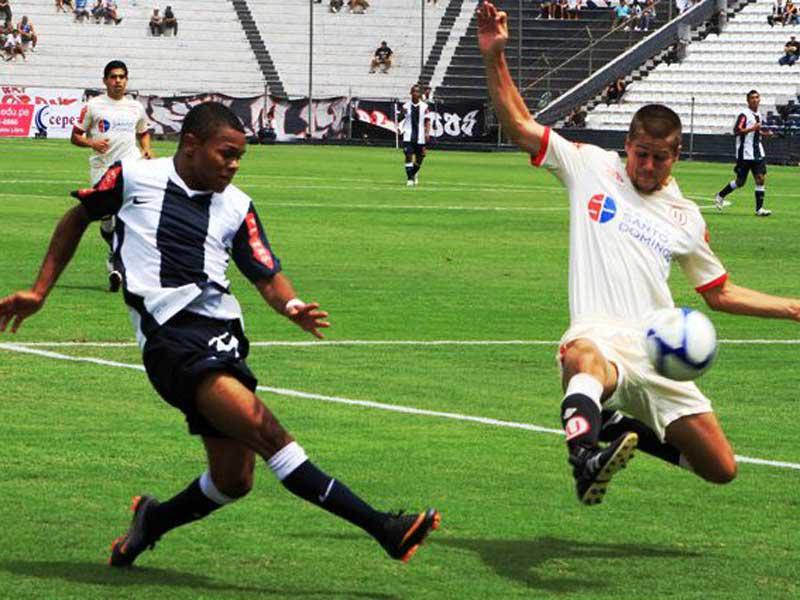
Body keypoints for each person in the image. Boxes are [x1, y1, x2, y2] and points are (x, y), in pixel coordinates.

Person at [0, 101, 441, 567]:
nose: (233, 165)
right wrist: (39, 290)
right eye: (226, 154)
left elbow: (265, 272)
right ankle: (384, 528)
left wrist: (291, 305)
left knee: (234, 480)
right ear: (191, 145)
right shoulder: (133, 177)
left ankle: (152, 520)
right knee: (268, 433)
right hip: (171, 339)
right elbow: (78, 217)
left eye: (239, 158)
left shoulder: (237, 205)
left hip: (223, 337)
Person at [477, 2, 800, 505]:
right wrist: (494, 56)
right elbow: (519, 126)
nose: (648, 166)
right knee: (582, 359)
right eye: (641, 154)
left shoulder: (686, 218)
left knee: (720, 468)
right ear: (627, 145)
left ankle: (615, 426)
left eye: (660, 158)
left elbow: (719, 292)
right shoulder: (590, 166)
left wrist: (793, 308)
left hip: (659, 352)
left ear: (676, 155)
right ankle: (584, 458)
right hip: (599, 336)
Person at [70, 60, 153, 292]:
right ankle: (112, 252)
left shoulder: (135, 107)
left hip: (130, 167)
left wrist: (146, 149)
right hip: (102, 169)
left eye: (122, 77)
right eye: (114, 77)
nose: (118, 81)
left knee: (127, 217)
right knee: (107, 219)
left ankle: (118, 265)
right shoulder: (93, 106)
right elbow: (75, 136)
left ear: (126, 80)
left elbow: (143, 132)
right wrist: (92, 143)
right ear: (105, 80)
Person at [714, 91, 776, 216]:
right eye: (752, 98)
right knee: (740, 182)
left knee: (760, 178)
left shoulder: (758, 114)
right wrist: (753, 128)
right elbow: (737, 130)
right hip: (745, 153)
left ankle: (759, 209)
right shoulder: (744, 115)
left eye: (757, 97)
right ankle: (720, 195)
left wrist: (764, 134)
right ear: (747, 100)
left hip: (758, 152)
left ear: (760, 99)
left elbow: (755, 132)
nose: (755, 99)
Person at [400, 84, 431, 187]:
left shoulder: (424, 107)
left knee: (420, 158)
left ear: (420, 94)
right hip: (408, 135)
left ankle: (413, 173)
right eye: (413, 91)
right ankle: (409, 179)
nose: (415, 93)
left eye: (417, 92)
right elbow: (400, 119)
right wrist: (399, 127)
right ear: (410, 93)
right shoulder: (405, 106)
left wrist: (427, 132)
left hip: (420, 136)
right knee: (408, 156)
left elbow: (427, 120)